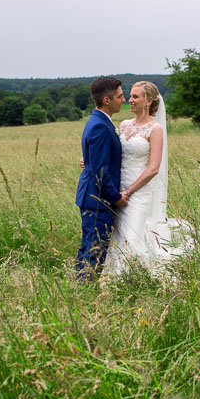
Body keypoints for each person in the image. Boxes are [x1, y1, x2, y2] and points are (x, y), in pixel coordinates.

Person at [103, 81, 200, 277]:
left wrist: (129, 190)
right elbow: (113, 154)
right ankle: (112, 276)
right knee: (117, 236)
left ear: (148, 101)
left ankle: (136, 277)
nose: (129, 100)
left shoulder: (155, 129)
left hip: (138, 192)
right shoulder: (124, 126)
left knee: (131, 238)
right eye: (130, 96)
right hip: (118, 190)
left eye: (135, 97)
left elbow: (153, 168)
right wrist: (89, 160)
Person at [75, 77, 128, 280]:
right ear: (107, 100)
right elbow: (100, 172)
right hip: (97, 199)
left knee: (89, 245)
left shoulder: (100, 121)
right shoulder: (100, 126)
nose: (123, 99)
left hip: (93, 197)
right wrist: (115, 197)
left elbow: (95, 161)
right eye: (120, 95)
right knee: (95, 250)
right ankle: (85, 290)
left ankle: (80, 286)